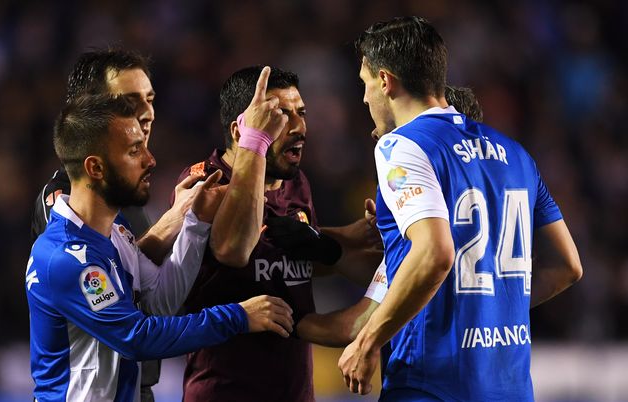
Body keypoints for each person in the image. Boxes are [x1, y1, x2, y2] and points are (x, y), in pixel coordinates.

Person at [338, 17, 583, 401]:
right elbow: (569, 266)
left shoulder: (400, 146)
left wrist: (368, 340)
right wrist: (489, 309)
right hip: (511, 387)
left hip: (432, 383)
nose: (366, 98)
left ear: (385, 81)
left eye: (365, 85)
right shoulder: (517, 155)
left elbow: (435, 253)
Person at [25, 93, 294, 401]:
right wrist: (237, 317)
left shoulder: (115, 232)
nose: (150, 160)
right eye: (134, 150)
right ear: (96, 168)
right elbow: (136, 338)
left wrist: (197, 223)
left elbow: (159, 302)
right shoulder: (66, 257)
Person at [174, 66, 381, 402]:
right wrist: (254, 149)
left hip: (294, 390)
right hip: (226, 392)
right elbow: (234, 249)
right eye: (279, 116)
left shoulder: (295, 184)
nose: (298, 127)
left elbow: (289, 263)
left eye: (300, 113)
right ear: (241, 130)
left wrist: (341, 241)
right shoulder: (205, 182)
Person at [30, 49, 206, 400]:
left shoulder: (131, 193)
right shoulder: (66, 196)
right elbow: (98, 270)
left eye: (149, 98)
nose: (145, 111)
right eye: (128, 100)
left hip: (138, 387)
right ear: (92, 107)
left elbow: (145, 285)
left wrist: (195, 219)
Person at [296, 85, 485, 347]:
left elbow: (352, 326)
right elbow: (562, 269)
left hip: (426, 375)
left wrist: (279, 319)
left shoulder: (421, 238)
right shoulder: (491, 205)